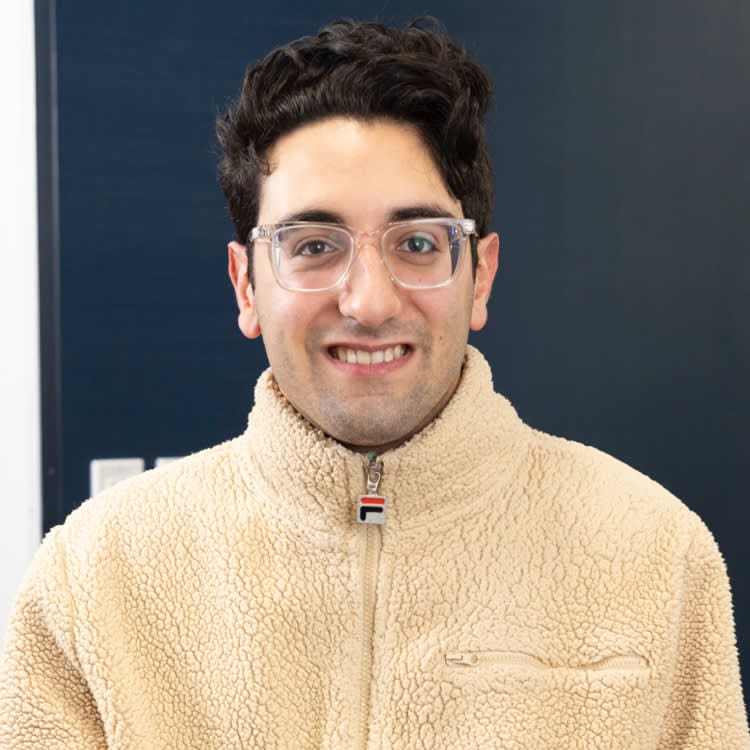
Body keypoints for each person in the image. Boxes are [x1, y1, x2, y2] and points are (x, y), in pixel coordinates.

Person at [0, 18, 748, 749]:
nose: (369, 302)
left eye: (418, 243)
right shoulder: (94, 578)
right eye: (315, 245)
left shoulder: (657, 554)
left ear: (479, 275)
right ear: (246, 287)